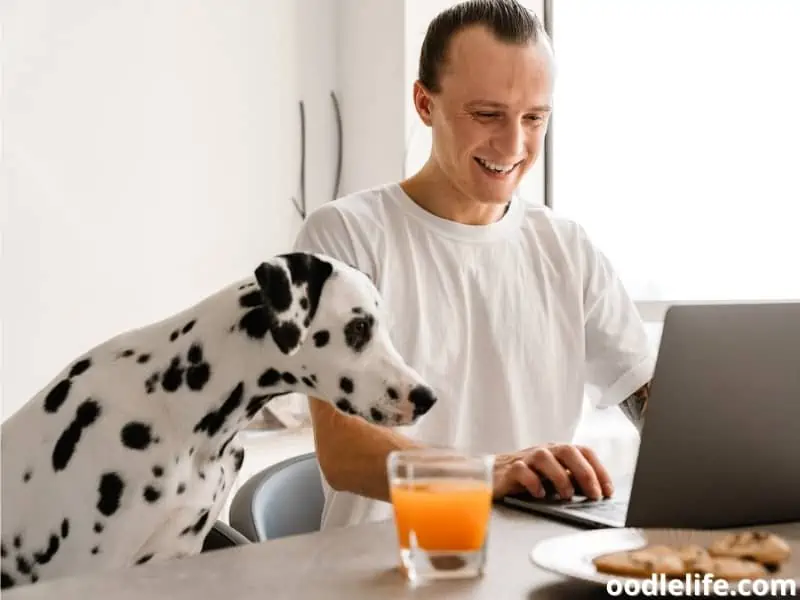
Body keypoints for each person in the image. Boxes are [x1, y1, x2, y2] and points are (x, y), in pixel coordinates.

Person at [292, 0, 654, 530]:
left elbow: (656, 405)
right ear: (424, 103)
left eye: (534, 118)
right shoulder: (343, 236)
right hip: (385, 568)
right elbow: (343, 449)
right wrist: (488, 472)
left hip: (531, 562)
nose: (513, 145)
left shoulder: (566, 249)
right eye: (486, 115)